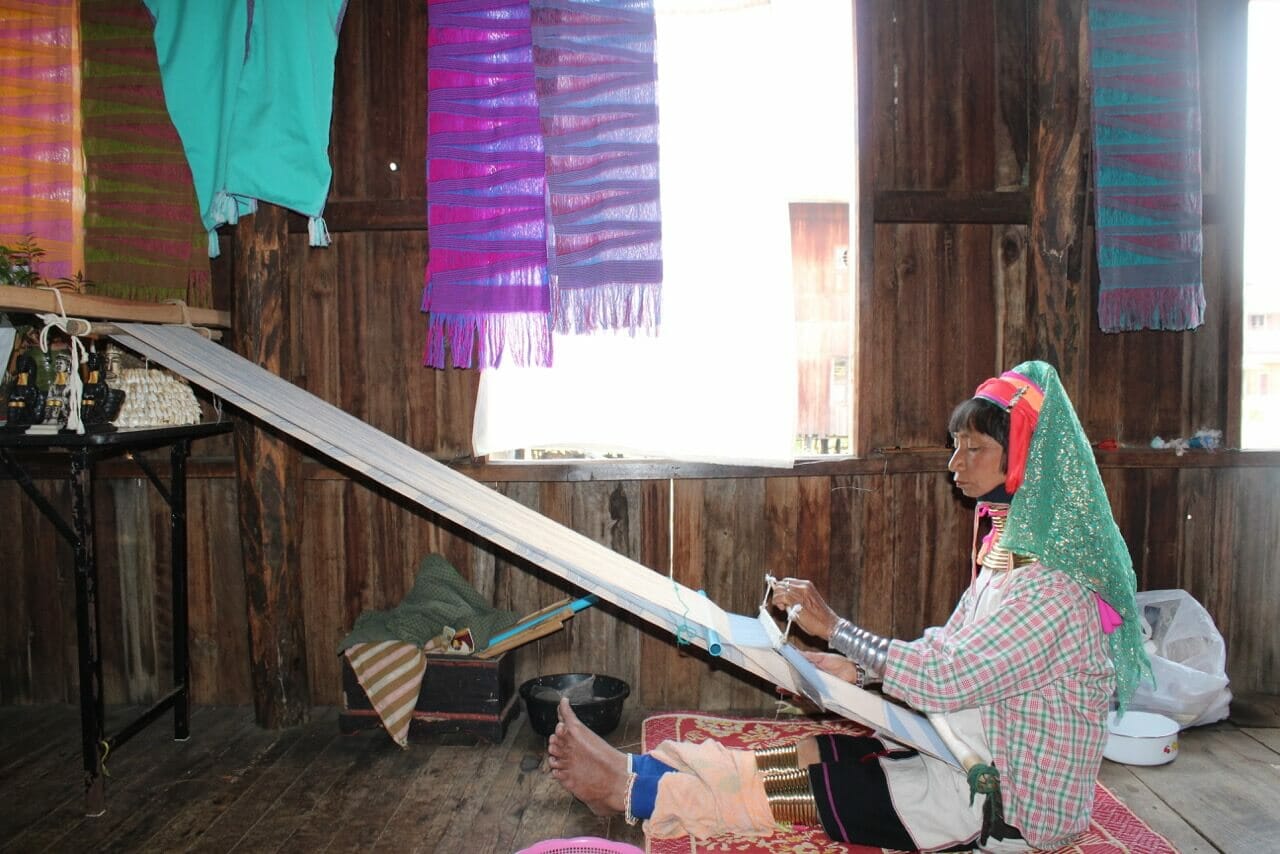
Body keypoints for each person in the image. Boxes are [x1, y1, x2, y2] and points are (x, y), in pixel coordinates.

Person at [546, 360, 1151, 852]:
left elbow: (946, 676)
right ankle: (646, 770)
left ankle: (632, 794)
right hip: (975, 744)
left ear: (1023, 458)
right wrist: (856, 671)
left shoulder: (1054, 591)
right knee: (823, 749)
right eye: (955, 447)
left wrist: (834, 630)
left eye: (972, 449)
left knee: (821, 789)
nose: (954, 464)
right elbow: (951, 650)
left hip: (1008, 802)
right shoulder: (1012, 557)